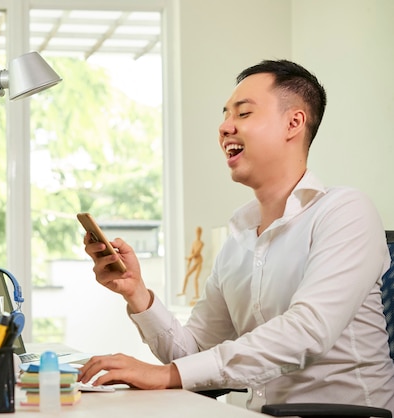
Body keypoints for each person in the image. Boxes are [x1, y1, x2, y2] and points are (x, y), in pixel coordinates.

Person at [78, 59, 394, 412]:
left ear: (294, 123)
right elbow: (194, 354)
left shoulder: (345, 211)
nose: (225, 127)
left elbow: (308, 331)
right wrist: (137, 292)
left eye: (243, 114)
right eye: (226, 115)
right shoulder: (239, 239)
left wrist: (166, 374)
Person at [177, 226, 203, 299]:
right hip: (195, 263)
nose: (198, 233)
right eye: (197, 232)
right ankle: (183, 291)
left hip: (199, 262)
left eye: (199, 232)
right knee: (187, 275)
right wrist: (188, 263)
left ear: (201, 233)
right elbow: (192, 252)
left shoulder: (201, 243)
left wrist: (189, 257)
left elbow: (197, 253)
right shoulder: (194, 243)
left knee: (195, 278)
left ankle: (197, 295)